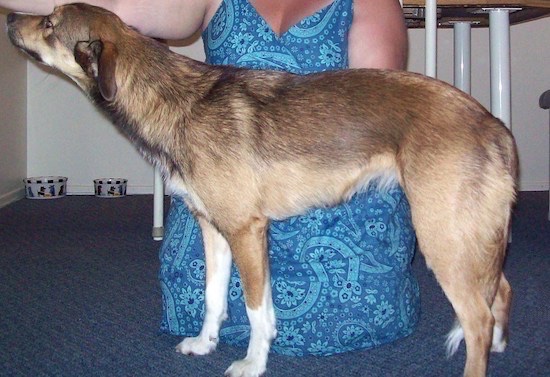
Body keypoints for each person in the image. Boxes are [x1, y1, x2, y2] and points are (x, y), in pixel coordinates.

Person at [1, 0, 420, 356]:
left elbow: (376, 114)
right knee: (188, 288)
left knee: (349, 303)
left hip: (330, 187)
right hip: (219, 186)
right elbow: (119, 10)